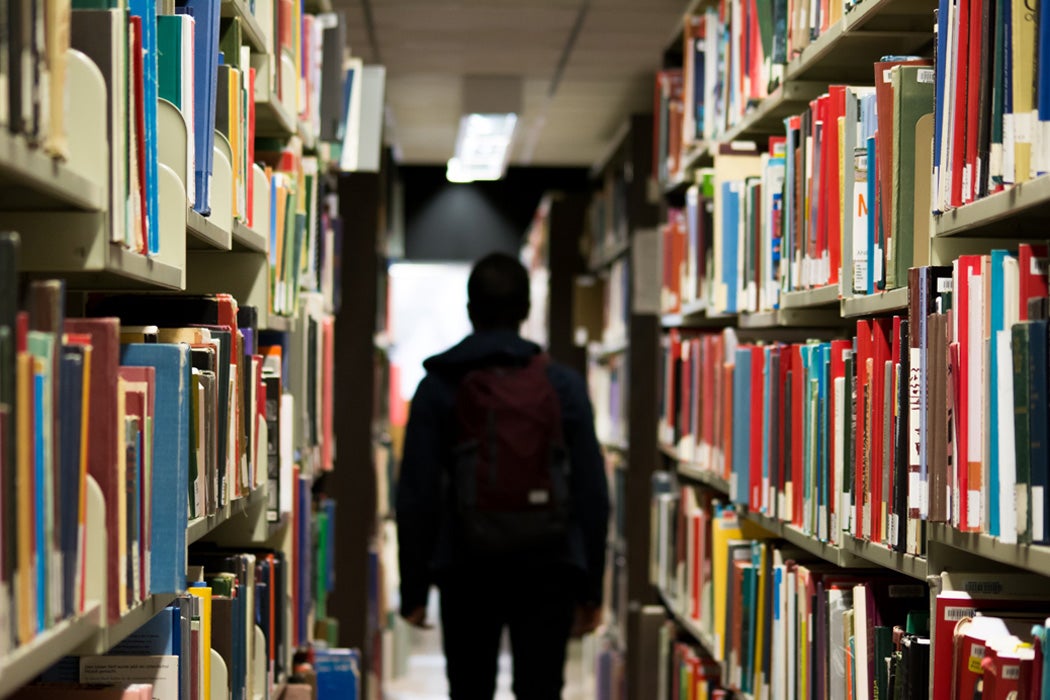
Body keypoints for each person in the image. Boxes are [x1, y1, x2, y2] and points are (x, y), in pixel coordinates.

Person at [396, 252, 610, 699]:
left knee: (470, 688)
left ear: (470, 309)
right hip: (548, 565)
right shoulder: (562, 384)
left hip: (466, 565)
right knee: (541, 688)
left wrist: (414, 587)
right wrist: (591, 588)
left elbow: (417, 493)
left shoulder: (438, 385)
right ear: (527, 310)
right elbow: (592, 490)